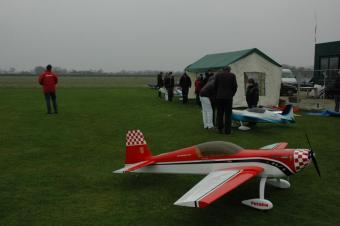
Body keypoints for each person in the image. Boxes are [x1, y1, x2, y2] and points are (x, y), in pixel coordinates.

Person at [214, 66, 238, 134]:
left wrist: (217, 94)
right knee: (228, 114)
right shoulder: (232, 75)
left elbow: (215, 86)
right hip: (228, 97)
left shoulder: (218, 75)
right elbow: (235, 86)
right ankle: (227, 130)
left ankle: (220, 129)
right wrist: (232, 94)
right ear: (229, 70)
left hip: (219, 97)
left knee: (220, 113)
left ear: (223, 69)